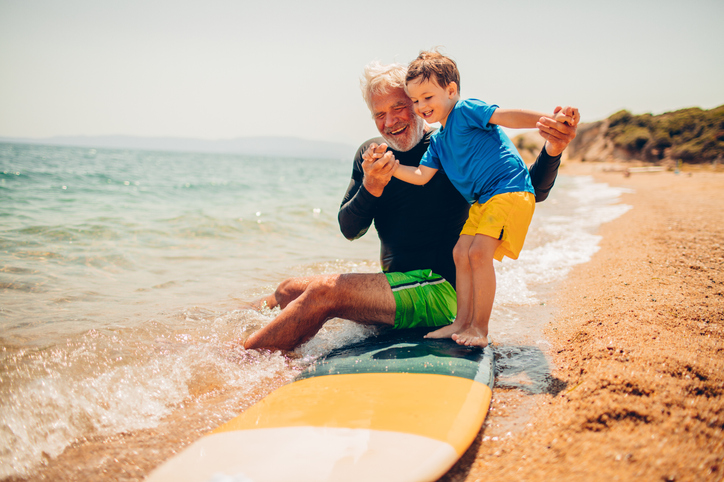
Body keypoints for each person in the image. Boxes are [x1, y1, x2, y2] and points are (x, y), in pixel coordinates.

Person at [242, 61, 579, 352]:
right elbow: (350, 229)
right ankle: (262, 346)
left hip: (441, 289)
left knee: (324, 293)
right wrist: (371, 187)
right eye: (379, 114)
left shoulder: (448, 146)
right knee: (287, 290)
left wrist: (552, 149)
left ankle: (239, 359)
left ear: (419, 105)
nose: (390, 122)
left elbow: (525, 190)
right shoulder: (372, 154)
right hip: (401, 286)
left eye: (400, 107)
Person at [387, 50, 578, 348]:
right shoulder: (437, 141)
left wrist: (548, 120)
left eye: (427, 97)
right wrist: (392, 168)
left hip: (509, 189)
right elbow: (421, 175)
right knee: (460, 252)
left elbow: (506, 117)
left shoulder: (465, 110)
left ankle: (480, 329)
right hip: (482, 201)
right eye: (415, 100)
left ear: (451, 91)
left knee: (478, 254)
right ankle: (461, 322)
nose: (421, 106)